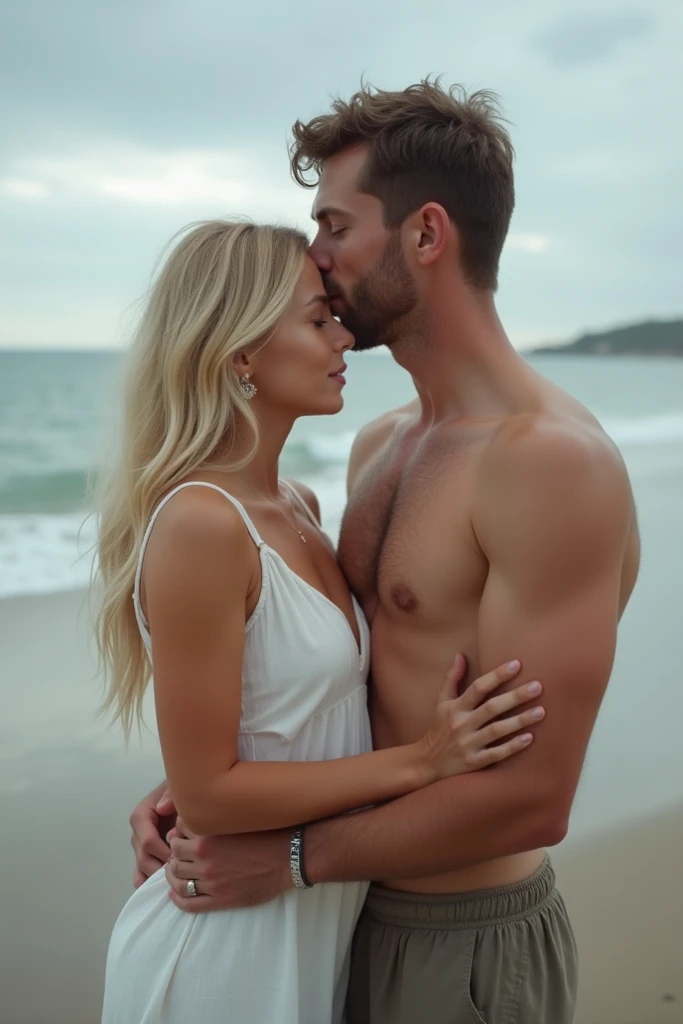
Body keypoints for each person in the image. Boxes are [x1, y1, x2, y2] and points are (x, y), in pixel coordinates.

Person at [129, 83, 641, 1024]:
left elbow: (530, 800)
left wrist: (286, 855)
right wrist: (206, 788)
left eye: (332, 224)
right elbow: (343, 680)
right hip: (327, 921)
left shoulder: (544, 464)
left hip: (455, 936)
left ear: (425, 234)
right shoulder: (378, 448)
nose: (316, 258)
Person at [95, 218, 545, 1024]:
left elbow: (281, 711)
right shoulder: (203, 521)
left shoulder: (296, 507)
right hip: (226, 952)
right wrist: (423, 761)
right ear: (239, 353)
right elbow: (212, 795)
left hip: (311, 927)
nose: (345, 336)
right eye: (316, 318)